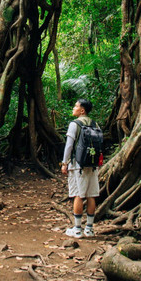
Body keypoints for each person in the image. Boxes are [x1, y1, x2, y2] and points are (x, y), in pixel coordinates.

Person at [60, 98, 100, 238]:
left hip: (78, 165)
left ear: (82, 110)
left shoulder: (74, 124)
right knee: (91, 195)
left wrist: (64, 163)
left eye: (75, 106)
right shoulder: (95, 124)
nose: (73, 108)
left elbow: (69, 145)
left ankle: (77, 229)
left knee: (78, 195)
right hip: (92, 165)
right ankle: (89, 229)